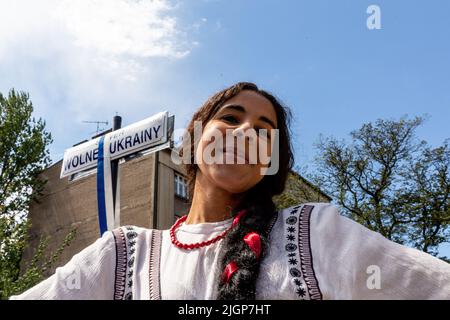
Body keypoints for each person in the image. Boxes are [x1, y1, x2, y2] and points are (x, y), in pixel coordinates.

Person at [10, 82, 450, 300]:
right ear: (196, 137)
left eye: (264, 130)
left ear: (271, 161)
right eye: (232, 117)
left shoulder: (317, 235)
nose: (245, 132)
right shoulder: (123, 255)